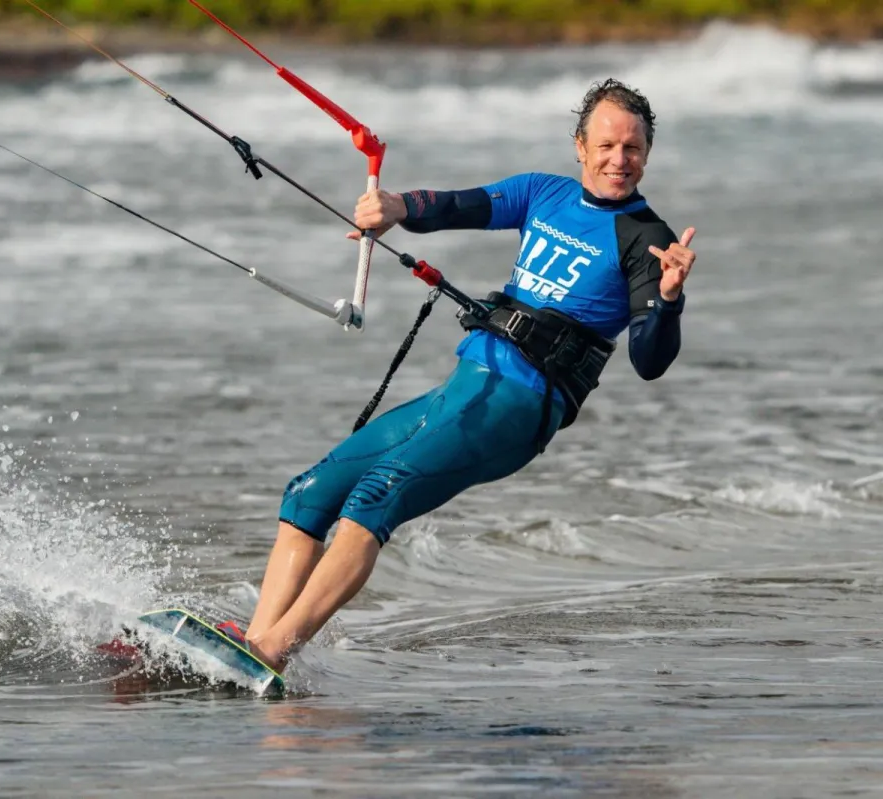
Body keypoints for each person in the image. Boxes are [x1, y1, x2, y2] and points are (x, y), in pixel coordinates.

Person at [227, 78, 699, 673]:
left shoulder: (647, 239)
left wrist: (669, 298)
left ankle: (273, 650)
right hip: (465, 389)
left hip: (521, 408)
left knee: (377, 494)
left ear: (647, 154)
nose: (618, 160)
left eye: (632, 149)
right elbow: (460, 205)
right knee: (309, 491)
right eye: (606, 146)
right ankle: (252, 640)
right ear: (580, 145)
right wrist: (396, 209)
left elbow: (650, 362)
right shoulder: (542, 194)